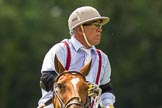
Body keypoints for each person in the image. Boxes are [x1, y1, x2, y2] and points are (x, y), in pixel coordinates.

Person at [38, 6, 115, 108]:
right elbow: (46, 80)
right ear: (80, 29)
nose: (99, 30)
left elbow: (105, 89)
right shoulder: (60, 50)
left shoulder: (103, 58)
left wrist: (108, 105)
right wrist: (78, 86)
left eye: (100, 26)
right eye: (96, 25)